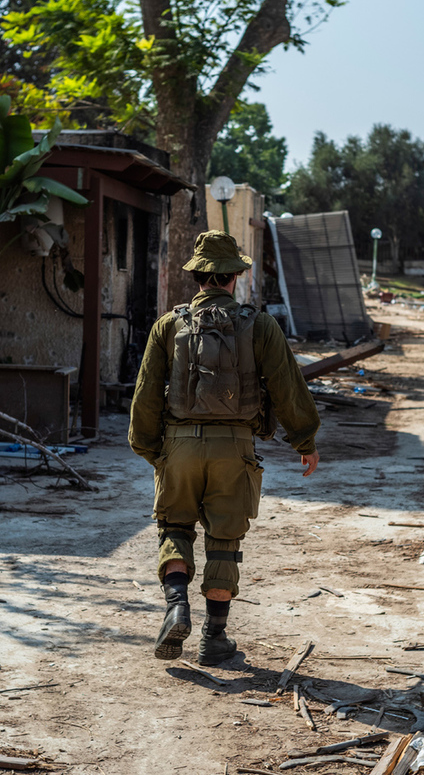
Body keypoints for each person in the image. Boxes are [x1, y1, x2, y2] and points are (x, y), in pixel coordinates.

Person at [128, 230, 321, 665]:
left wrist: (153, 450)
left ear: (197, 275)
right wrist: (304, 440)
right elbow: (288, 386)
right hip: (235, 450)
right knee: (224, 542)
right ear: (236, 275)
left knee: (174, 530)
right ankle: (214, 639)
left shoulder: (169, 324)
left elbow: (145, 396)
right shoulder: (261, 325)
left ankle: (177, 607)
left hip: (178, 448)